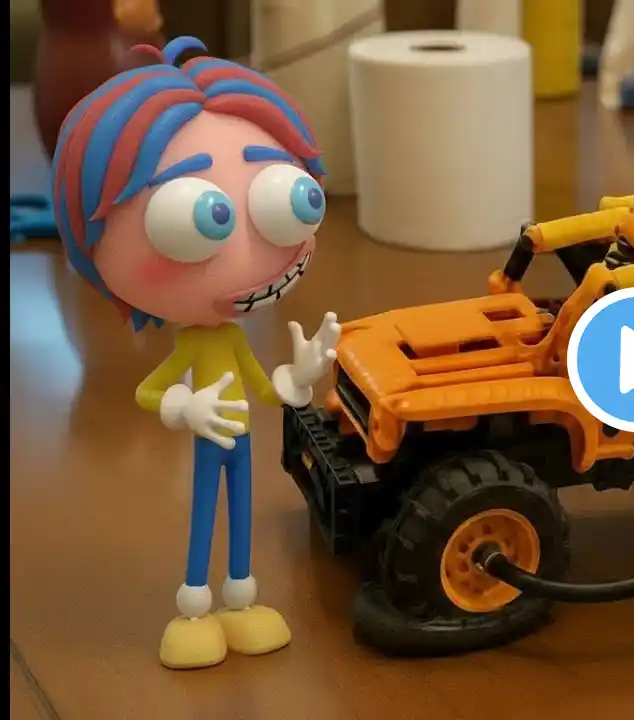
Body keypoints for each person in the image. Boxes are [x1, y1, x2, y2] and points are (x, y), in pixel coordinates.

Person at [51, 35, 340, 670]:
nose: (249, 251)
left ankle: (240, 599)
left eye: (295, 201)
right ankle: (195, 607)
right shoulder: (193, 344)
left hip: (239, 440)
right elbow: (150, 390)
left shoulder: (231, 338)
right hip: (211, 440)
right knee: (204, 516)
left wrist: (296, 380)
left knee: (243, 514)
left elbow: (262, 388)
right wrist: (187, 408)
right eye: (198, 220)